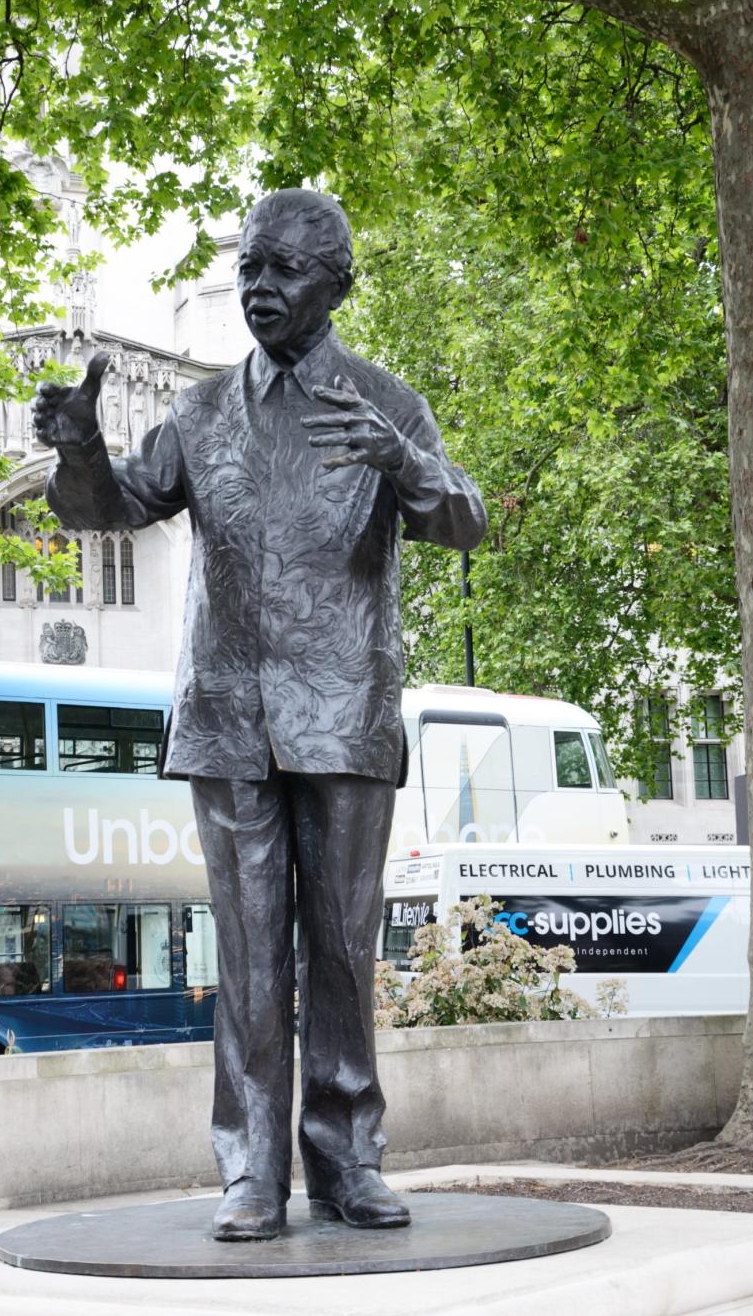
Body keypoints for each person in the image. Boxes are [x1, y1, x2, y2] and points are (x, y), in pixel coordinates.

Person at [33, 189, 487, 1241]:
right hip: (230, 714)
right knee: (246, 957)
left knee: (339, 947)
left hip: (345, 714)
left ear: (336, 284)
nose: (259, 288)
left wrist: (404, 461)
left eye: (282, 270)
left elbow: (464, 521)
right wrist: (78, 450)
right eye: (248, 268)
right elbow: (114, 510)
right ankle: (249, 1174)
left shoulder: (386, 403)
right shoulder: (197, 413)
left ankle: (347, 1160)